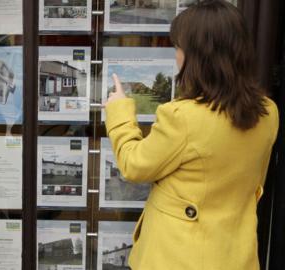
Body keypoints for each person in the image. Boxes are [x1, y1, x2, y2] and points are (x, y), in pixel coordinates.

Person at [104, 1, 279, 269]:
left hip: (179, 256)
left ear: (198, 55)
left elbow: (134, 165)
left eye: (179, 47)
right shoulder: (268, 112)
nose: (176, 56)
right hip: (235, 254)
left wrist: (119, 110)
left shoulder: (184, 117)